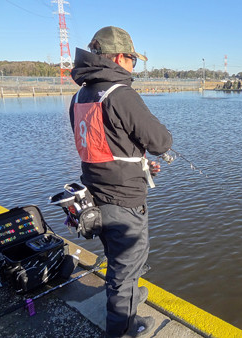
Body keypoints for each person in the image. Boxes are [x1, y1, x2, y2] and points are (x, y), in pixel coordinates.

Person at [68, 26, 173, 337]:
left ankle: (126, 297)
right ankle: (122, 327)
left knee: (117, 259)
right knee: (126, 266)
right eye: (132, 59)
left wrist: (138, 165)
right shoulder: (121, 94)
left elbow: (105, 148)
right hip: (124, 202)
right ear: (117, 57)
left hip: (93, 196)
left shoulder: (79, 96)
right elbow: (161, 141)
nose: (133, 66)